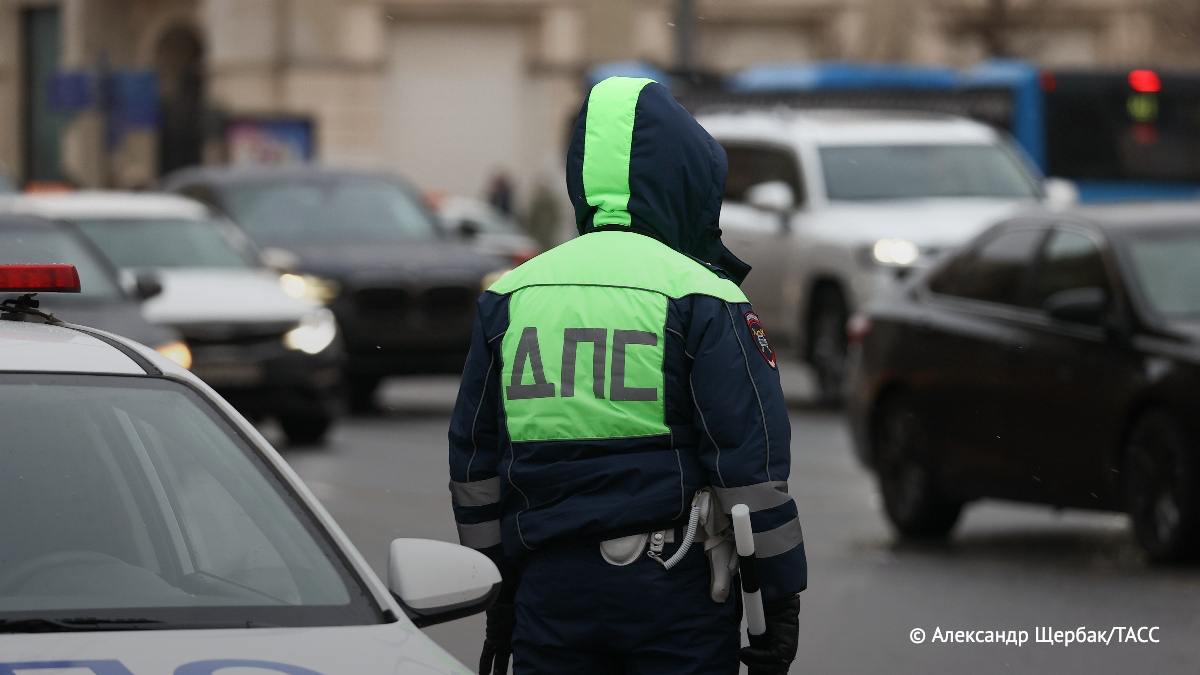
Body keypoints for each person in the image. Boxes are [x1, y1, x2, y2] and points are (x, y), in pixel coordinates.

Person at [448, 76, 806, 675]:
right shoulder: (702, 295)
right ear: (687, 179)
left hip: (549, 594)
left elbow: (476, 466)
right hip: (674, 597)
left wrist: (498, 593)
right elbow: (749, 469)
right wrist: (778, 598)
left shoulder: (512, 295)